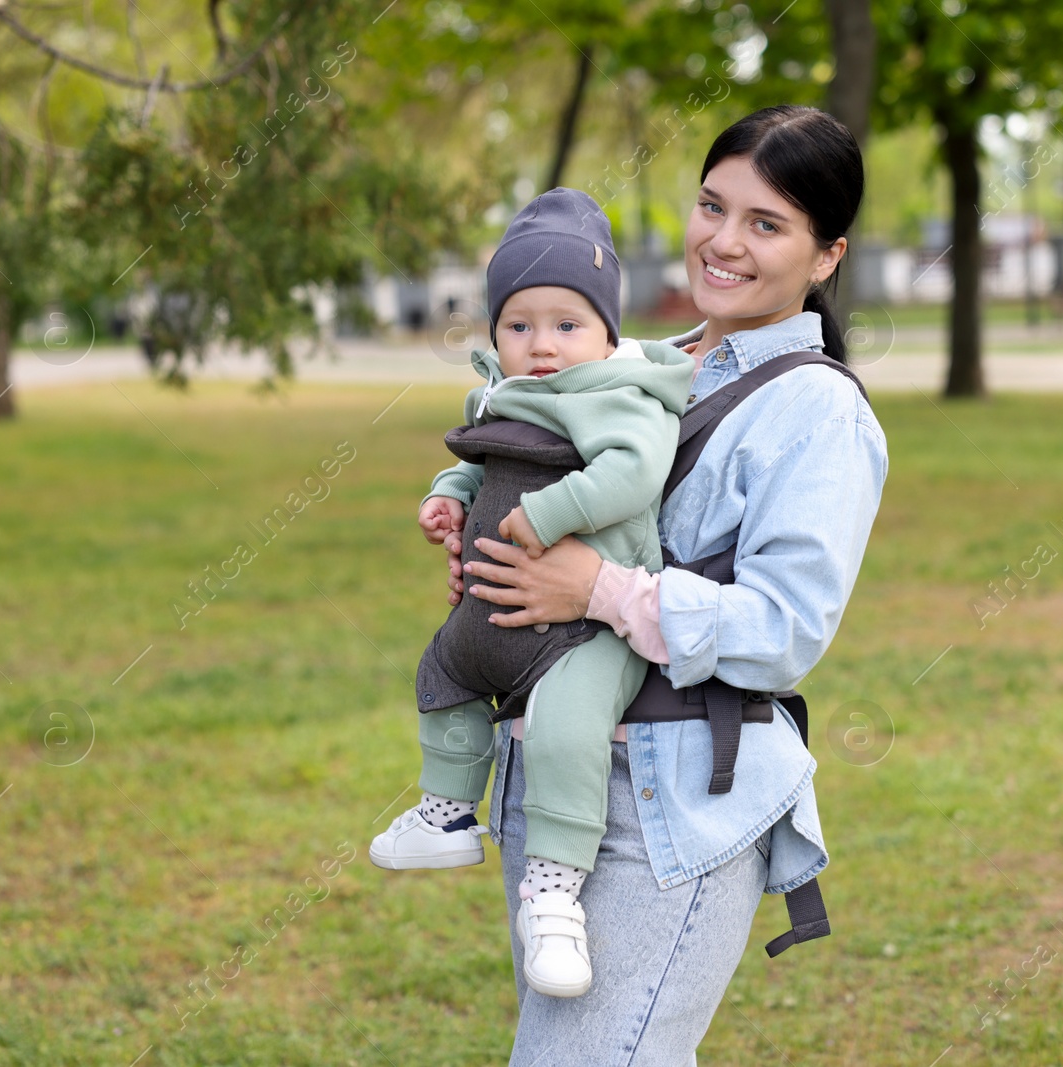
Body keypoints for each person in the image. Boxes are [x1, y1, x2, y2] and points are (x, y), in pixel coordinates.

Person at [450, 106, 888, 1064]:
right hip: (555, 775)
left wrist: (596, 588)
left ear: (826, 255)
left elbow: (783, 628)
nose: (723, 242)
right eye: (710, 206)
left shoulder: (817, 411)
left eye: (766, 224)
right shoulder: (633, 366)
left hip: (672, 799)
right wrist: (490, 549)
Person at [368, 188, 694, 999]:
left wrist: (545, 516)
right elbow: (479, 459)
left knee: (564, 729)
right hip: (493, 615)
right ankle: (447, 812)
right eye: (519, 325)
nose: (542, 345)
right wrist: (448, 494)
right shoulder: (503, 392)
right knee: (441, 677)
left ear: (608, 333)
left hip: (588, 630)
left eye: (567, 324)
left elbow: (631, 473)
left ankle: (554, 896)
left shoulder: (618, 395)